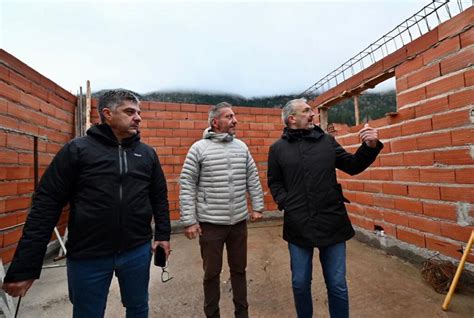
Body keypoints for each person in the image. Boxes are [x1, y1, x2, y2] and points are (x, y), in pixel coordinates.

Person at [2, 89, 171, 318]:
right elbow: (46, 204)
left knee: (138, 307)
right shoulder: (77, 150)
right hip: (88, 256)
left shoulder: (147, 154)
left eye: (138, 112)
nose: (138, 117)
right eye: (130, 111)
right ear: (107, 114)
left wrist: (163, 234)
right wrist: (26, 266)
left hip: (136, 250)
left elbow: (159, 196)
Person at [267, 98, 383, 318]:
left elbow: (352, 165)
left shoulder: (327, 142)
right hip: (298, 225)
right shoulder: (278, 149)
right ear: (292, 119)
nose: (313, 114)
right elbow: (275, 182)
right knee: (300, 283)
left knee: (337, 284)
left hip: (332, 221)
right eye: (307, 111)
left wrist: (369, 146)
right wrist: (286, 203)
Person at [179, 102, 264, 318]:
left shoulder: (242, 147)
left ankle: (242, 314)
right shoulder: (198, 148)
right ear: (215, 122)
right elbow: (187, 184)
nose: (235, 120)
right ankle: (212, 314)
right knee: (211, 273)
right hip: (210, 224)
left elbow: (252, 178)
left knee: (239, 271)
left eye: (234, 116)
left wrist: (258, 207)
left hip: (238, 223)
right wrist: (189, 220)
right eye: (229, 116)